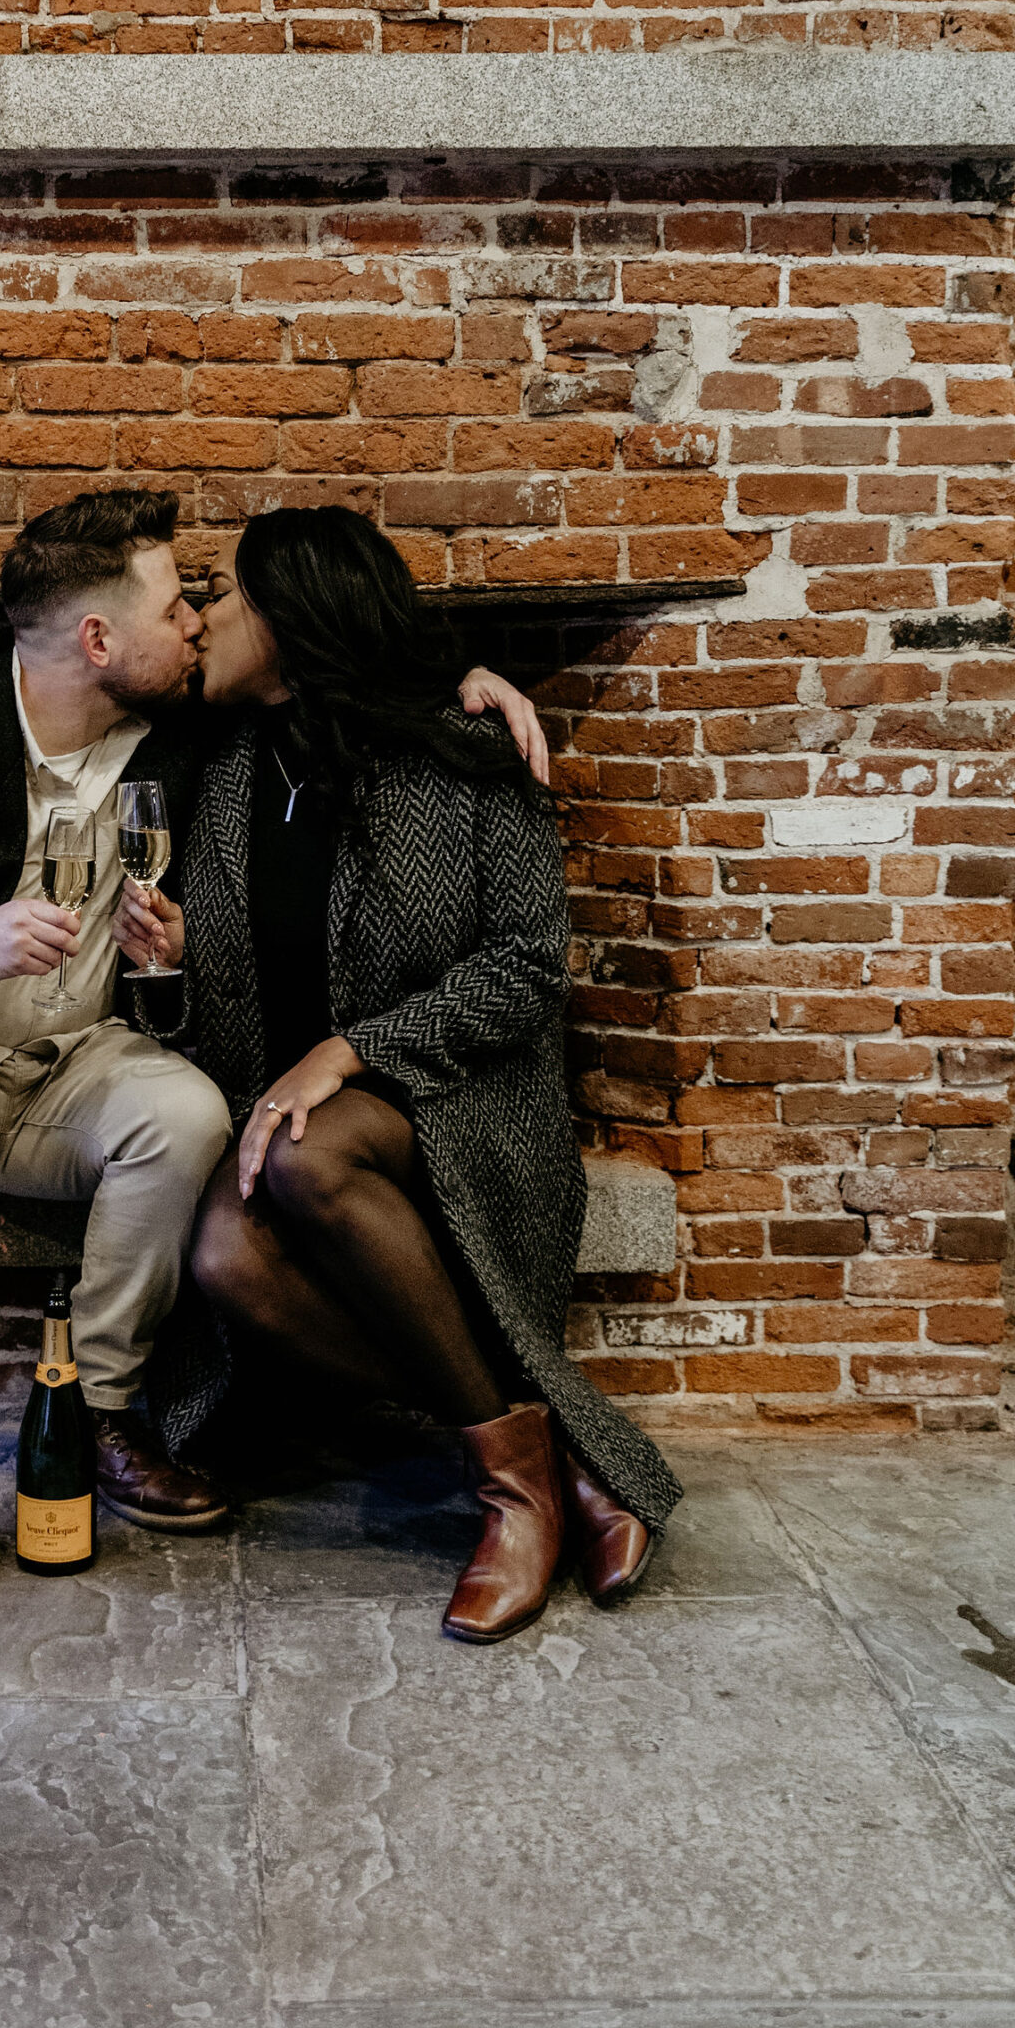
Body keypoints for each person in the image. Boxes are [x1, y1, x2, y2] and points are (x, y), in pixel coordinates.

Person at [0, 486, 551, 1632]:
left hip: (78, 1063)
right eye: (176, 602)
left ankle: (101, 1409)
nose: (195, 621)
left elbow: (344, 672)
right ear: (98, 639)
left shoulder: (190, 734)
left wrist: (469, 685)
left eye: (207, 600)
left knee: (184, 1108)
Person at [116, 507, 683, 1643]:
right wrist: (169, 974)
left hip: (465, 1116)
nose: (203, 620)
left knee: (308, 1145)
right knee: (225, 1247)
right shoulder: (211, 770)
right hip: (289, 1138)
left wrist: (351, 1048)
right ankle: (550, 1450)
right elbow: (209, 1037)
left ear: (284, 620)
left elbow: (529, 969)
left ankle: (510, 1501)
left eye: (221, 597)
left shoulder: (465, 750)